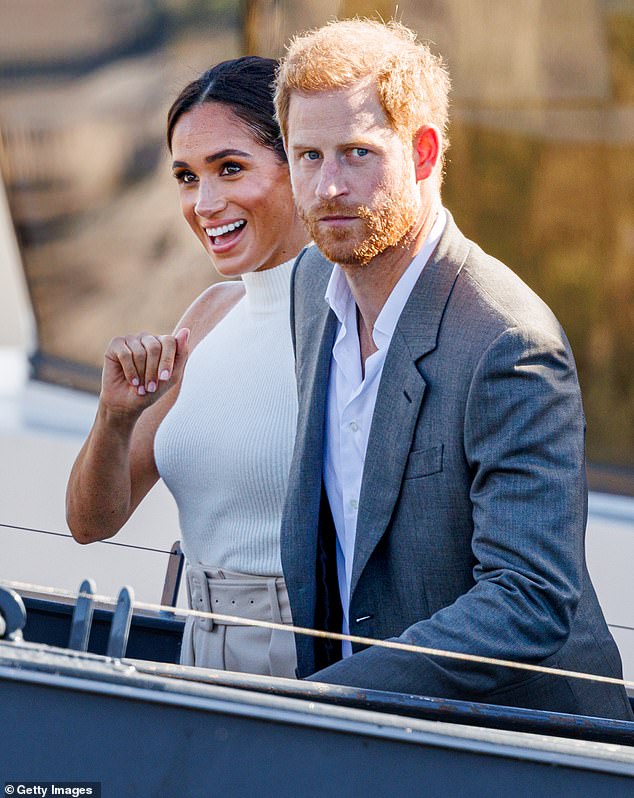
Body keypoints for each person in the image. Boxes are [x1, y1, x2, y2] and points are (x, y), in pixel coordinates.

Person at [274, 19, 634, 719]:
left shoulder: (509, 342)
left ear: (423, 151)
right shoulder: (308, 285)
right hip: (364, 736)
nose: (328, 186)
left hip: (522, 755)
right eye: (307, 156)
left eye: (356, 153)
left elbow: (529, 598)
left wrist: (331, 701)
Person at [66, 57, 308, 677]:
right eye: (185, 175)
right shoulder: (209, 315)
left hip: (306, 655)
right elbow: (92, 523)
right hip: (195, 646)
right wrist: (114, 418)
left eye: (230, 168)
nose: (204, 203)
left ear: (300, 164)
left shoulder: (352, 321)